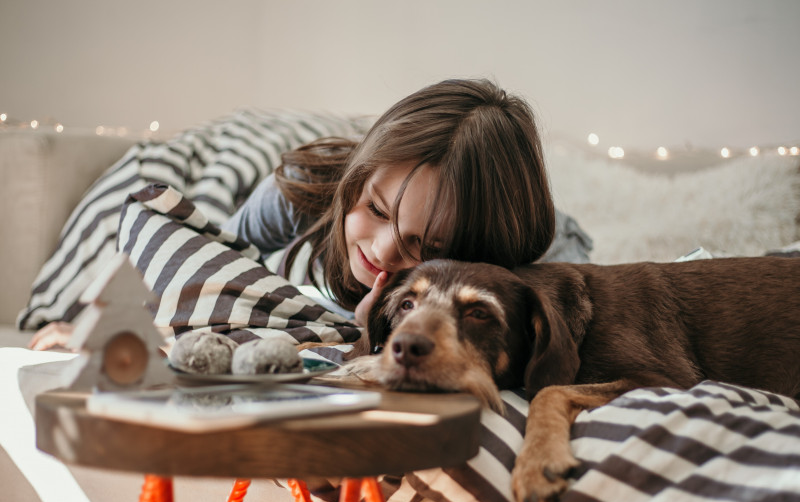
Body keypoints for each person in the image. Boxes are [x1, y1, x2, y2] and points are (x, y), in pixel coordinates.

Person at [30, 78, 590, 351]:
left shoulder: (517, 263)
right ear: (357, 185)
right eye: (375, 209)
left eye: (430, 248)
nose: (385, 251)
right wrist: (107, 328)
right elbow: (211, 272)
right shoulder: (304, 190)